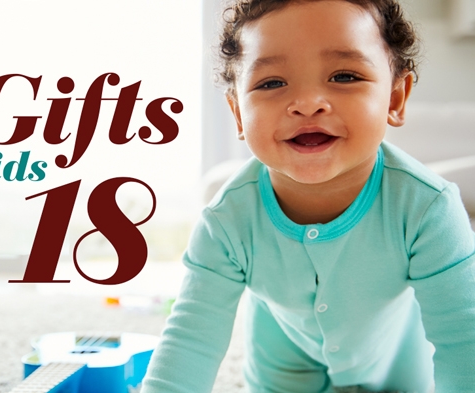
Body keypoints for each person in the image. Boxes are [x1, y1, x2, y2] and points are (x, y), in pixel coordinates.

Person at [140, 1, 475, 392]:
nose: (307, 102)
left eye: (345, 75)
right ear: (237, 115)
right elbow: (191, 340)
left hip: (396, 369)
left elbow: (463, 340)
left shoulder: (428, 208)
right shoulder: (226, 220)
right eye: (271, 83)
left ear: (396, 99)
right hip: (282, 370)